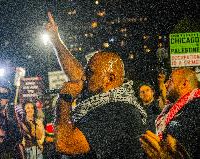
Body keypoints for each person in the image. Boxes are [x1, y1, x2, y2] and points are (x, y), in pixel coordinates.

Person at [46, 12, 146, 158]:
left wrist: (64, 100)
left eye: (90, 73)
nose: (84, 77)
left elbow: (65, 144)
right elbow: (78, 75)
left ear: (109, 79)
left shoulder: (118, 112)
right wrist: (56, 40)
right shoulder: (107, 97)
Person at [140, 68, 200, 158]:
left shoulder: (195, 109)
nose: (166, 84)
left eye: (170, 80)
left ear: (184, 84)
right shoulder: (177, 109)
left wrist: (162, 155)